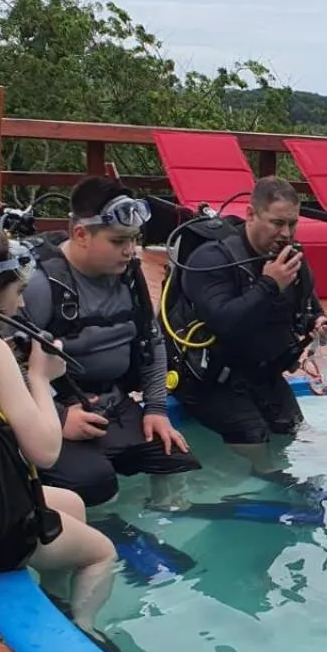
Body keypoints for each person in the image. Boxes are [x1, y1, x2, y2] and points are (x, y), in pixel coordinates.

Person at [0, 225, 119, 634]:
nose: (23, 302)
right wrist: (40, 378)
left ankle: (52, 605)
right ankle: (82, 632)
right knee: (102, 552)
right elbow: (45, 452)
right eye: (18, 291)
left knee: (72, 503)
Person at [21, 177, 200, 509]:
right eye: (118, 241)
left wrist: (156, 409)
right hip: (57, 412)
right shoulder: (40, 286)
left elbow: (152, 343)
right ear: (81, 235)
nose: (130, 250)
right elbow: (5, 367)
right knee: (95, 485)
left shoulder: (129, 276)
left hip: (112, 405)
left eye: (134, 240)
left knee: (177, 461)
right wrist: (58, 418)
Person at [167, 175, 327, 475]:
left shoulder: (291, 260)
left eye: (292, 224)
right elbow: (223, 322)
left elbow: (308, 310)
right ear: (251, 215)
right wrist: (269, 284)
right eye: (277, 223)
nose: (286, 233)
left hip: (259, 372)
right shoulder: (211, 259)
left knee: (292, 429)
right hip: (206, 377)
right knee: (253, 438)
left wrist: (319, 325)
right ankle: (255, 490)